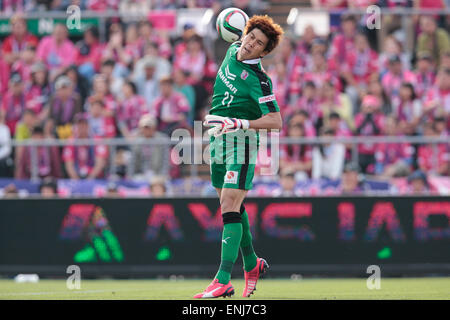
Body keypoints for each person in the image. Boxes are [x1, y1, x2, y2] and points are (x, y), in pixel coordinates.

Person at [198, 15, 283, 299]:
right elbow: (232, 21)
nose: (250, 44)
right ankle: (252, 263)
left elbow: (276, 121)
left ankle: (222, 278)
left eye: (258, 43)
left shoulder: (261, 80)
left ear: (264, 52)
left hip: (242, 141)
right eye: (250, 37)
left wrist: (241, 123)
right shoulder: (233, 49)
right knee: (231, 203)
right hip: (218, 138)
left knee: (229, 204)